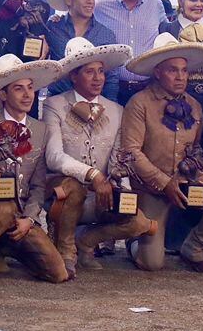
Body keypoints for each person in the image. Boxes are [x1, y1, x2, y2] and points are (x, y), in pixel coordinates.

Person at [117, 33, 203, 272]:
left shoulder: (193, 104)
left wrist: (202, 181)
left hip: (185, 181)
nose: (181, 76)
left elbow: (197, 150)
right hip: (149, 186)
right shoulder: (139, 103)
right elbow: (130, 152)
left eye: (184, 70)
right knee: (151, 264)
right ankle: (134, 241)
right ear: (157, 72)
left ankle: (194, 247)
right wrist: (164, 183)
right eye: (173, 70)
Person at [41, 38, 149, 278]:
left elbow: (118, 159)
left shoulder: (116, 110)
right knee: (73, 188)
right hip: (63, 192)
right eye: (89, 72)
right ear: (73, 76)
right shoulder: (54, 105)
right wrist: (92, 175)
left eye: (101, 71)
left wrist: (120, 187)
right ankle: (66, 251)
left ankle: (86, 242)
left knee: (138, 222)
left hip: (102, 193)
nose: (98, 78)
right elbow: (54, 157)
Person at [0, 56, 68, 283]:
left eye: (30, 88)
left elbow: (38, 185)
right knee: (4, 207)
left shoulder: (40, 130)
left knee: (58, 273)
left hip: (21, 215)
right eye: (18, 89)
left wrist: (29, 217)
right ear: (2, 94)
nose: (28, 95)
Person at [93, 0, 166, 104]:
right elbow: (79, 21)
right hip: (112, 88)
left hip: (148, 89)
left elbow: (169, 33)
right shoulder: (100, 6)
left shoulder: (156, 5)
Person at [44, 0, 119, 100]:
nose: (90, 1)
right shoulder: (52, 28)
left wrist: (110, 107)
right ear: (68, 0)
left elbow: (111, 77)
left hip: (94, 105)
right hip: (57, 101)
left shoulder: (106, 34)